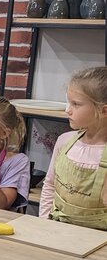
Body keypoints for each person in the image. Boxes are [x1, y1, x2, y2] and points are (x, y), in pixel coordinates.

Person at [40, 66, 107, 228]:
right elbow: (49, 185)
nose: (67, 110)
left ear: (104, 110)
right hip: (57, 230)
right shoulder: (64, 142)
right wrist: (43, 223)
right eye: (68, 102)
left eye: (76, 104)